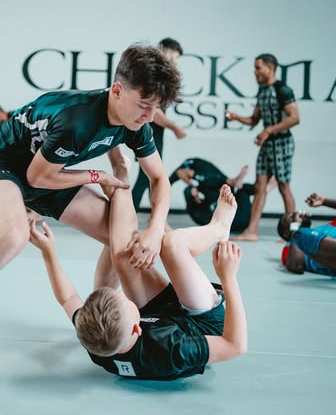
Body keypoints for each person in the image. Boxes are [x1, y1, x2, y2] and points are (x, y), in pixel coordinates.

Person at [0, 44, 181, 400]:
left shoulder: (135, 122)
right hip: (5, 164)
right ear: (117, 90)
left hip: (52, 172)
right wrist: (96, 176)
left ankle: (98, 319)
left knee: (121, 239)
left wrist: (155, 229)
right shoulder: (76, 119)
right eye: (144, 105)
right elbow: (36, 177)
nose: (149, 116)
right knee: (12, 238)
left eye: (156, 108)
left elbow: (158, 179)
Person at [30, 154, 247, 381]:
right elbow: (234, 346)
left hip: (162, 317)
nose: (124, 294)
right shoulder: (172, 350)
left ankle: (121, 179)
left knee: (124, 257)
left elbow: (67, 298)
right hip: (202, 325)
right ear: (136, 328)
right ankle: (218, 227)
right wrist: (229, 278)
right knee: (171, 244)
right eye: (126, 301)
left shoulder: (97, 340)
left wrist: (48, 252)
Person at [226, 53, 300, 241]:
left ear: (270, 68)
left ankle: (292, 233)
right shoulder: (263, 90)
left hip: (282, 143)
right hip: (268, 145)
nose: (255, 72)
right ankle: (252, 231)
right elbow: (254, 119)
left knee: (284, 186)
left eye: (258, 67)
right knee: (260, 186)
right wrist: (236, 117)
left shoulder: (283, 90)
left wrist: (268, 131)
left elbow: (294, 118)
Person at [132, 37, 186, 212]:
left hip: (153, 134)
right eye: (176, 57)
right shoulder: (152, 74)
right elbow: (154, 112)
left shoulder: (159, 75)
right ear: (166, 50)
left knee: (150, 178)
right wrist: (174, 127)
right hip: (148, 133)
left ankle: (156, 217)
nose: (176, 62)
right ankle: (126, 215)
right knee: (148, 178)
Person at [169, 157, 276, 233]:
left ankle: (258, 188)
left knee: (237, 189)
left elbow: (180, 173)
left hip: (228, 221)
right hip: (238, 221)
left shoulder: (208, 180)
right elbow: (179, 173)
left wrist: (192, 187)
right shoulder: (207, 183)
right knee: (241, 190)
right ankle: (263, 189)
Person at [278, 211, 336, 276]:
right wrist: (295, 229)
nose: (298, 216)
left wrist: (323, 204)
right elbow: (296, 266)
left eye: (299, 215)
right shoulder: (289, 247)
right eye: (292, 218)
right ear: (286, 234)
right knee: (302, 236)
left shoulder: (324, 227)